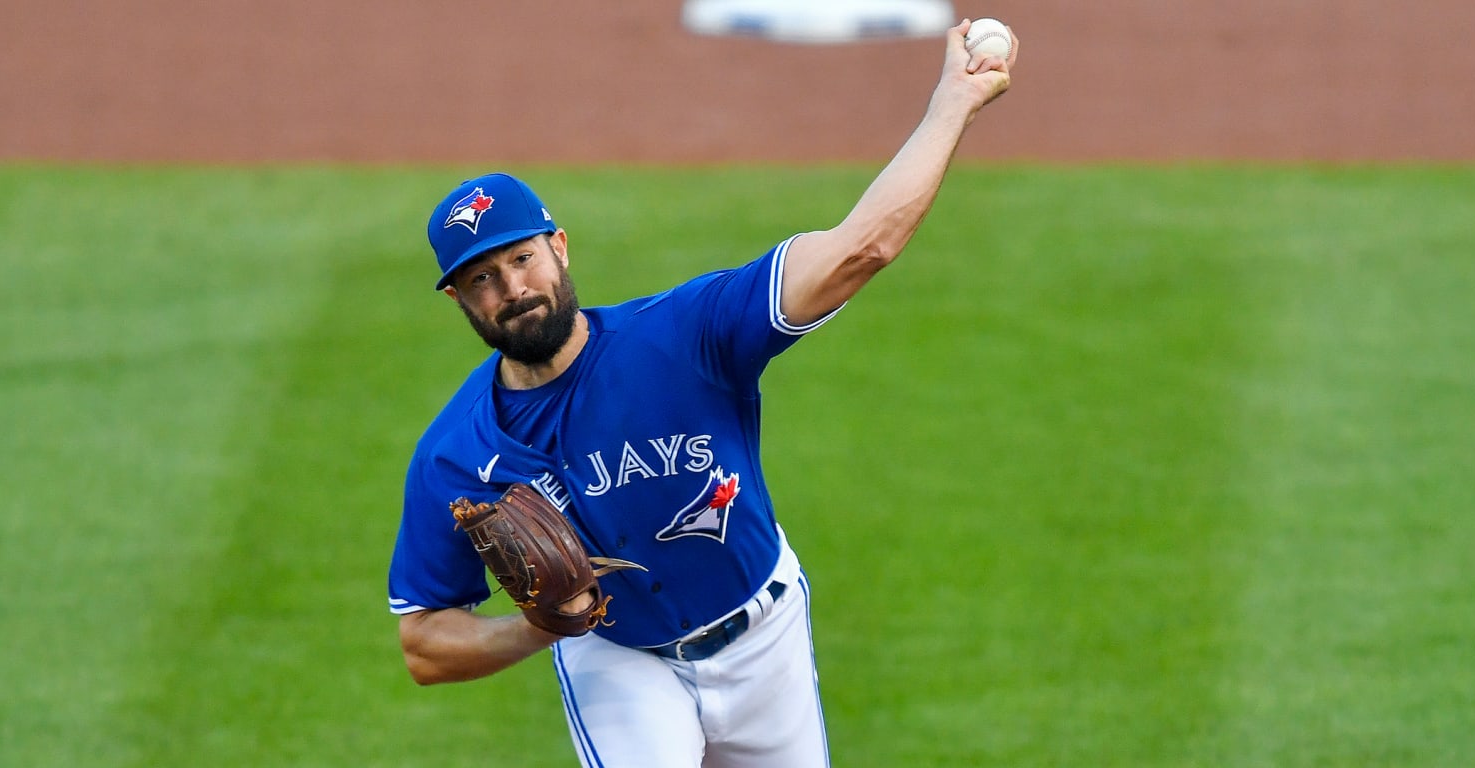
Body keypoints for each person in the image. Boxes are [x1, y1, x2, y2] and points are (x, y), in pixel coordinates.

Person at [387, 19, 1017, 768]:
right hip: (619, 659)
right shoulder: (455, 456)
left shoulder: (685, 335)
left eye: (522, 259)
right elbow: (425, 642)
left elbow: (861, 248)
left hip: (765, 640)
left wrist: (955, 102)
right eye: (482, 280)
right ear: (458, 298)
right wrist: (540, 628)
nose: (513, 290)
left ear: (559, 248)